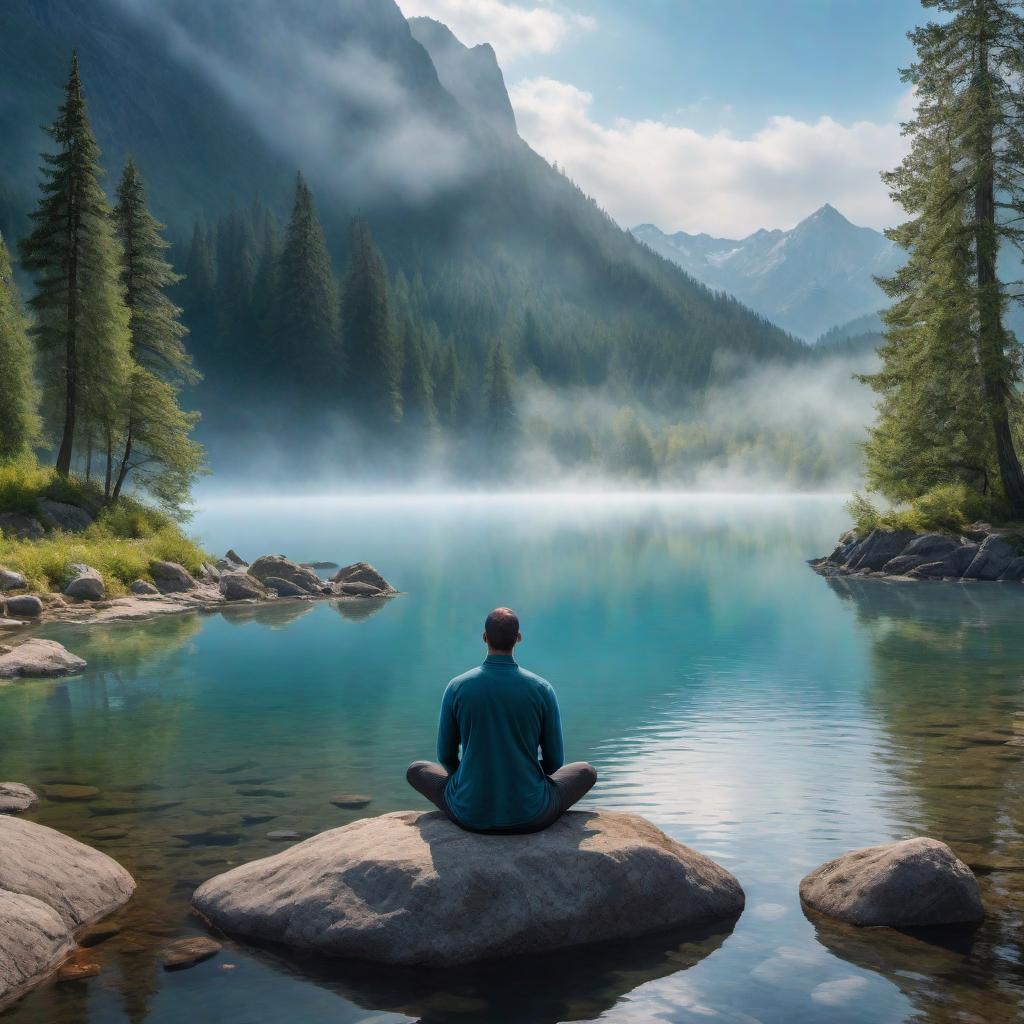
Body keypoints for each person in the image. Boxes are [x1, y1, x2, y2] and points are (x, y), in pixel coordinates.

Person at [406, 607, 597, 834]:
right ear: (518, 638)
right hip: (533, 813)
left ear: (484, 638)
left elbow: (445, 756)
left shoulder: (457, 687)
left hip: (468, 813)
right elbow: (554, 763)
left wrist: (467, 779)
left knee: (417, 770)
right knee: (586, 771)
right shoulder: (542, 689)